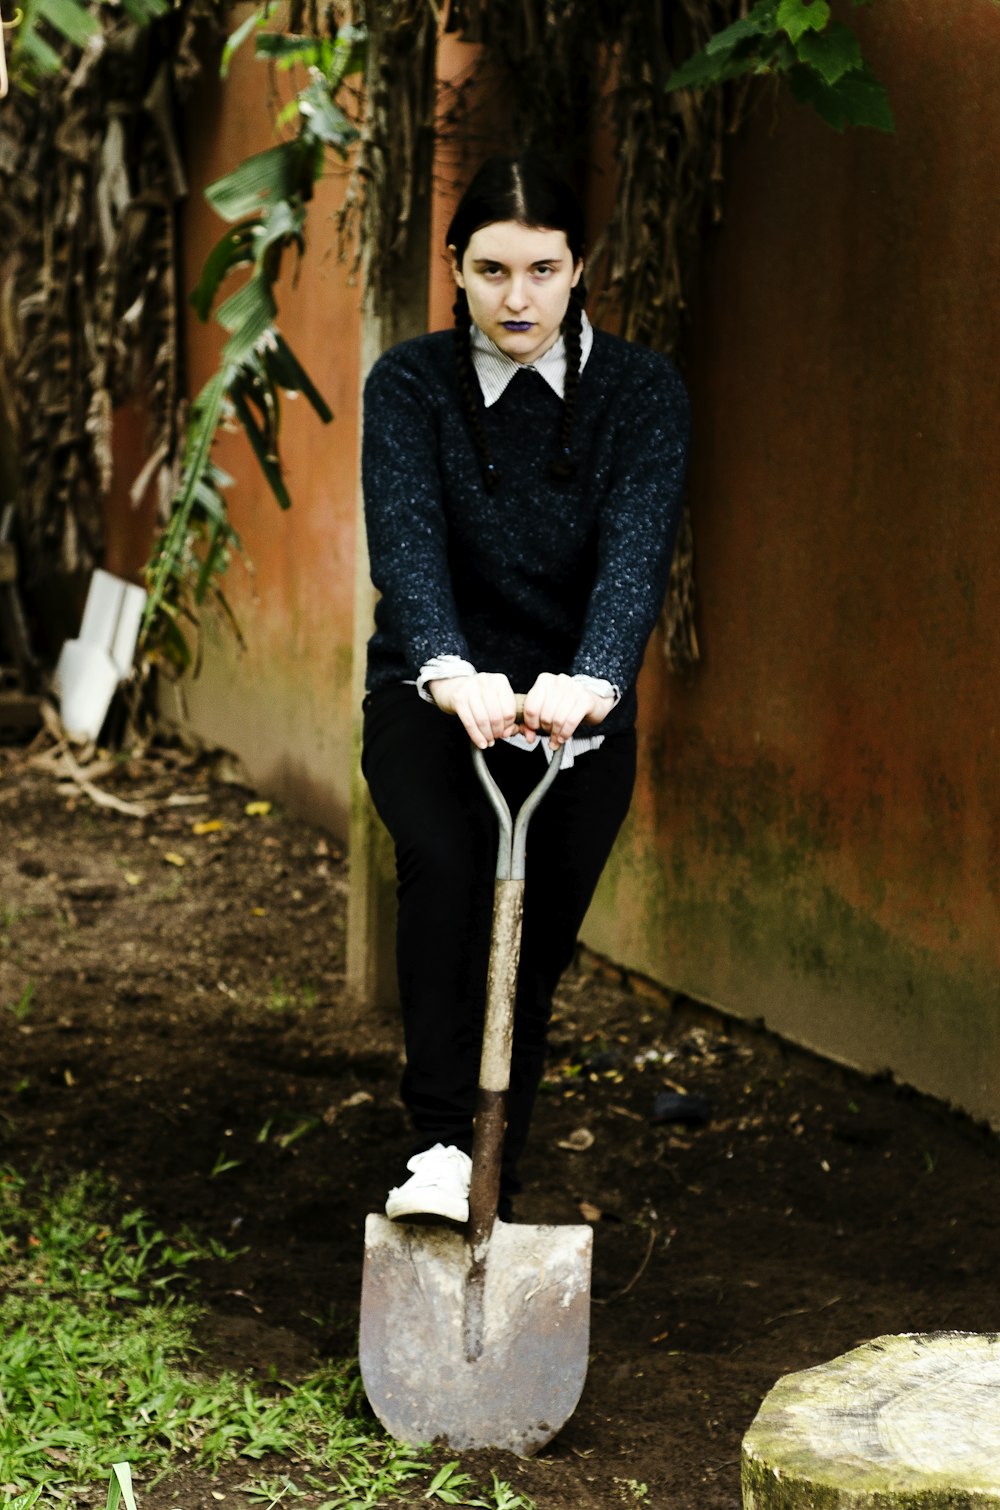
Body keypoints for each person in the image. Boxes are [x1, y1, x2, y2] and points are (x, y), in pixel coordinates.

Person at [360, 152, 690, 1226]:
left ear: (577, 267)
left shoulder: (640, 393)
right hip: (436, 691)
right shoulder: (410, 383)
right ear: (456, 270)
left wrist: (594, 676)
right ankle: (439, 1147)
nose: (518, 299)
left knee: (534, 941)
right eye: (493, 270)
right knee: (448, 873)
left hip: (573, 708)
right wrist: (451, 673)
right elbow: (405, 547)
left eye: (542, 270)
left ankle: (498, 1163)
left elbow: (635, 554)